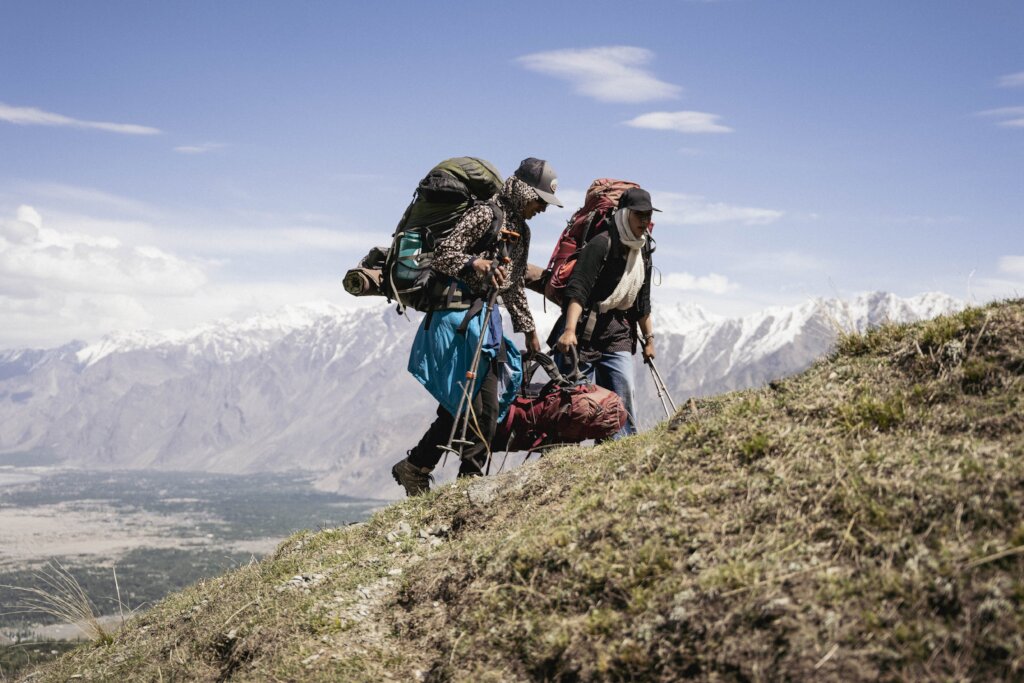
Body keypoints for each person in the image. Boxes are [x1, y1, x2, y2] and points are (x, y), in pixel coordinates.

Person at [392, 158, 563, 496]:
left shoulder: (521, 230)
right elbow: (444, 255)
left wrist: (529, 330)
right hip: (457, 319)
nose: (542, 208)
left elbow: (513, 284)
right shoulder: (485, 214)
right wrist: (476, 263)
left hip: (485, 321)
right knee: (481, 406)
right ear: (524, 191)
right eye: (539, 200)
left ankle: (416, 467)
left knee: (467, 403)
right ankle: (468, 486)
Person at [551, 187, 659, 438]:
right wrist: (569, 330)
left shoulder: (642, 251)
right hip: (583, 330)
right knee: (575, 400)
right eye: (639, 215)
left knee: (623, 390)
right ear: (624, 213)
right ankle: (563, 452)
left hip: (617, 330)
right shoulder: (601, 243)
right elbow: (578, 290)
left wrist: (649, 339)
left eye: (648, 215)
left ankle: (620, 448)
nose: (644, 221)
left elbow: (642, 301)